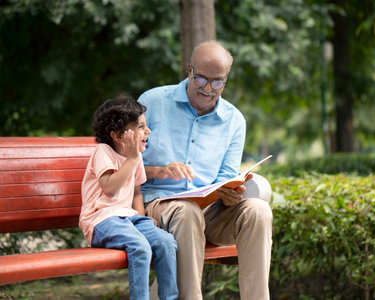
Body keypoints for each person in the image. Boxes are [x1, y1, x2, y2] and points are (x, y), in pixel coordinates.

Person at [138, 41, 273, 300]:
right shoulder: (152, 102)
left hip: (209, 211)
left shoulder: (234, 120)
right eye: (200, 79)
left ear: (226, 80)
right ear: (189, 71)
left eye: (217, 82)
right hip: (159, 207)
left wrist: (230, 193)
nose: (208, 89)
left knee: (258, 211)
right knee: (187, 212)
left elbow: (226, 178)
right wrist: (161, 171)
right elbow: (124, 165)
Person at [79, 94, 179, 300]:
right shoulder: (103, 152)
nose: (148, 131)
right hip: (101, 220)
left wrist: (142, 217)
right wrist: (132, 160)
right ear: (118, 135)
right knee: (140, 246)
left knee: (166, 242)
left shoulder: (135, 157)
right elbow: (109, 189)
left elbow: (136, 192)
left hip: (129, 218)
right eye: (141, 126)